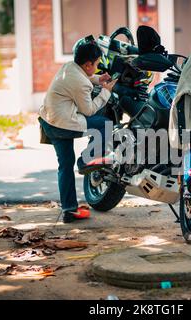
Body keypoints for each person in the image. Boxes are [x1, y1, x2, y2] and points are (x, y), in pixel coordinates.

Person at [38, 42, 117, 223]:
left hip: (49, 121)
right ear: (88, 64)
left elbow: (82, 79)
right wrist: (105, 92)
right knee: (105, 124)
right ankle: (86, 161)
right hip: (63, 125)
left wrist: (99, 78)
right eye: (97, 64)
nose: (97, 67)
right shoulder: (80, 83)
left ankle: (69, 210)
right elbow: (89, 110)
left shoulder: (69, 67)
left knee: (65, 166)